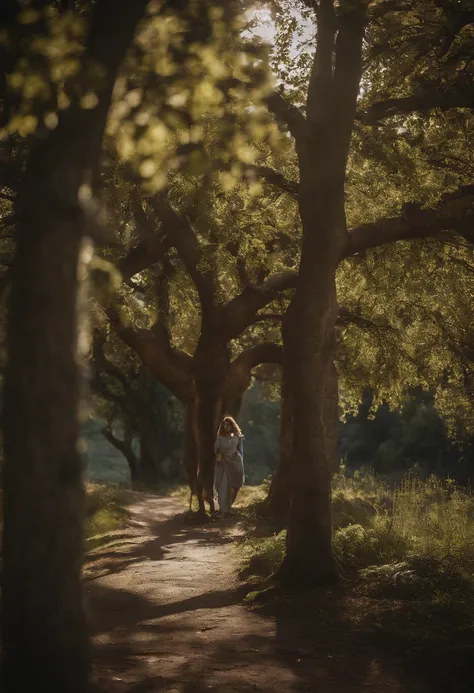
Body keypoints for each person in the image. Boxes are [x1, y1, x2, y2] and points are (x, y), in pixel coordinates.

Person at [214, 415, 244, 516]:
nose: (226, 426)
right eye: (224, 425)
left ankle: (229, 508)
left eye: (228, 424)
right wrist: (219, 455)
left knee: (234, 486)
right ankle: (223, 509)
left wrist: (240, 463)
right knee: (223, 486)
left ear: (232, 425)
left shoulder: (237, 436)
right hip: (223, 463)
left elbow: (241, 450)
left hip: (236, 462)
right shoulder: (219, 437)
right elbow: (216, 450)